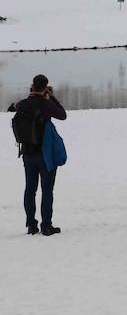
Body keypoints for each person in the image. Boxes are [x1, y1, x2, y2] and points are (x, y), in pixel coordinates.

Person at [10, 75, 67, 236]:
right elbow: (62, 115)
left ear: (32, 86)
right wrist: (51, 97)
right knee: (47, 190)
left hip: (27, 153)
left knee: (30, 189)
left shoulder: (23, 103)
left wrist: (34, 94)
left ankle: (31, 225)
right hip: (45, 154)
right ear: (45, 87)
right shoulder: (45, 104)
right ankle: (46, 225)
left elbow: (18, 106)